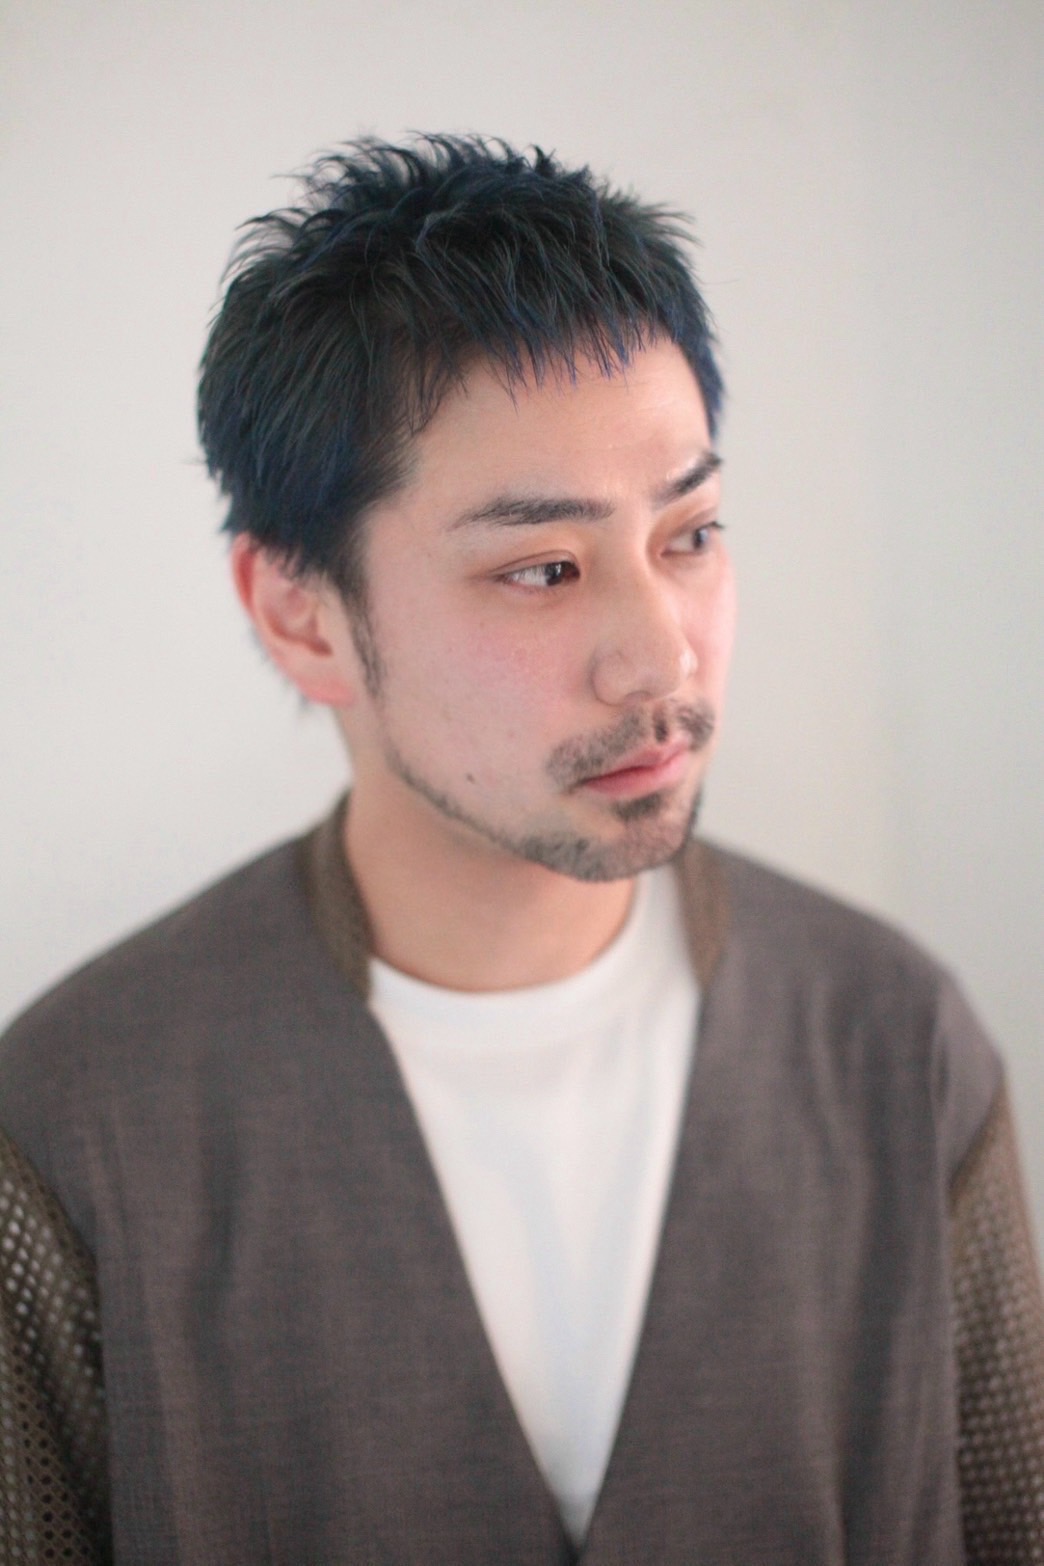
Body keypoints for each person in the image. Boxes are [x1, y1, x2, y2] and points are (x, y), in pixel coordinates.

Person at [1, 136, 1040, 1566]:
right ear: (302, 616)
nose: (660, 655)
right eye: (542, 568)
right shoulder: (75, 1132)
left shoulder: (896, 1049)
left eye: (691, 534)